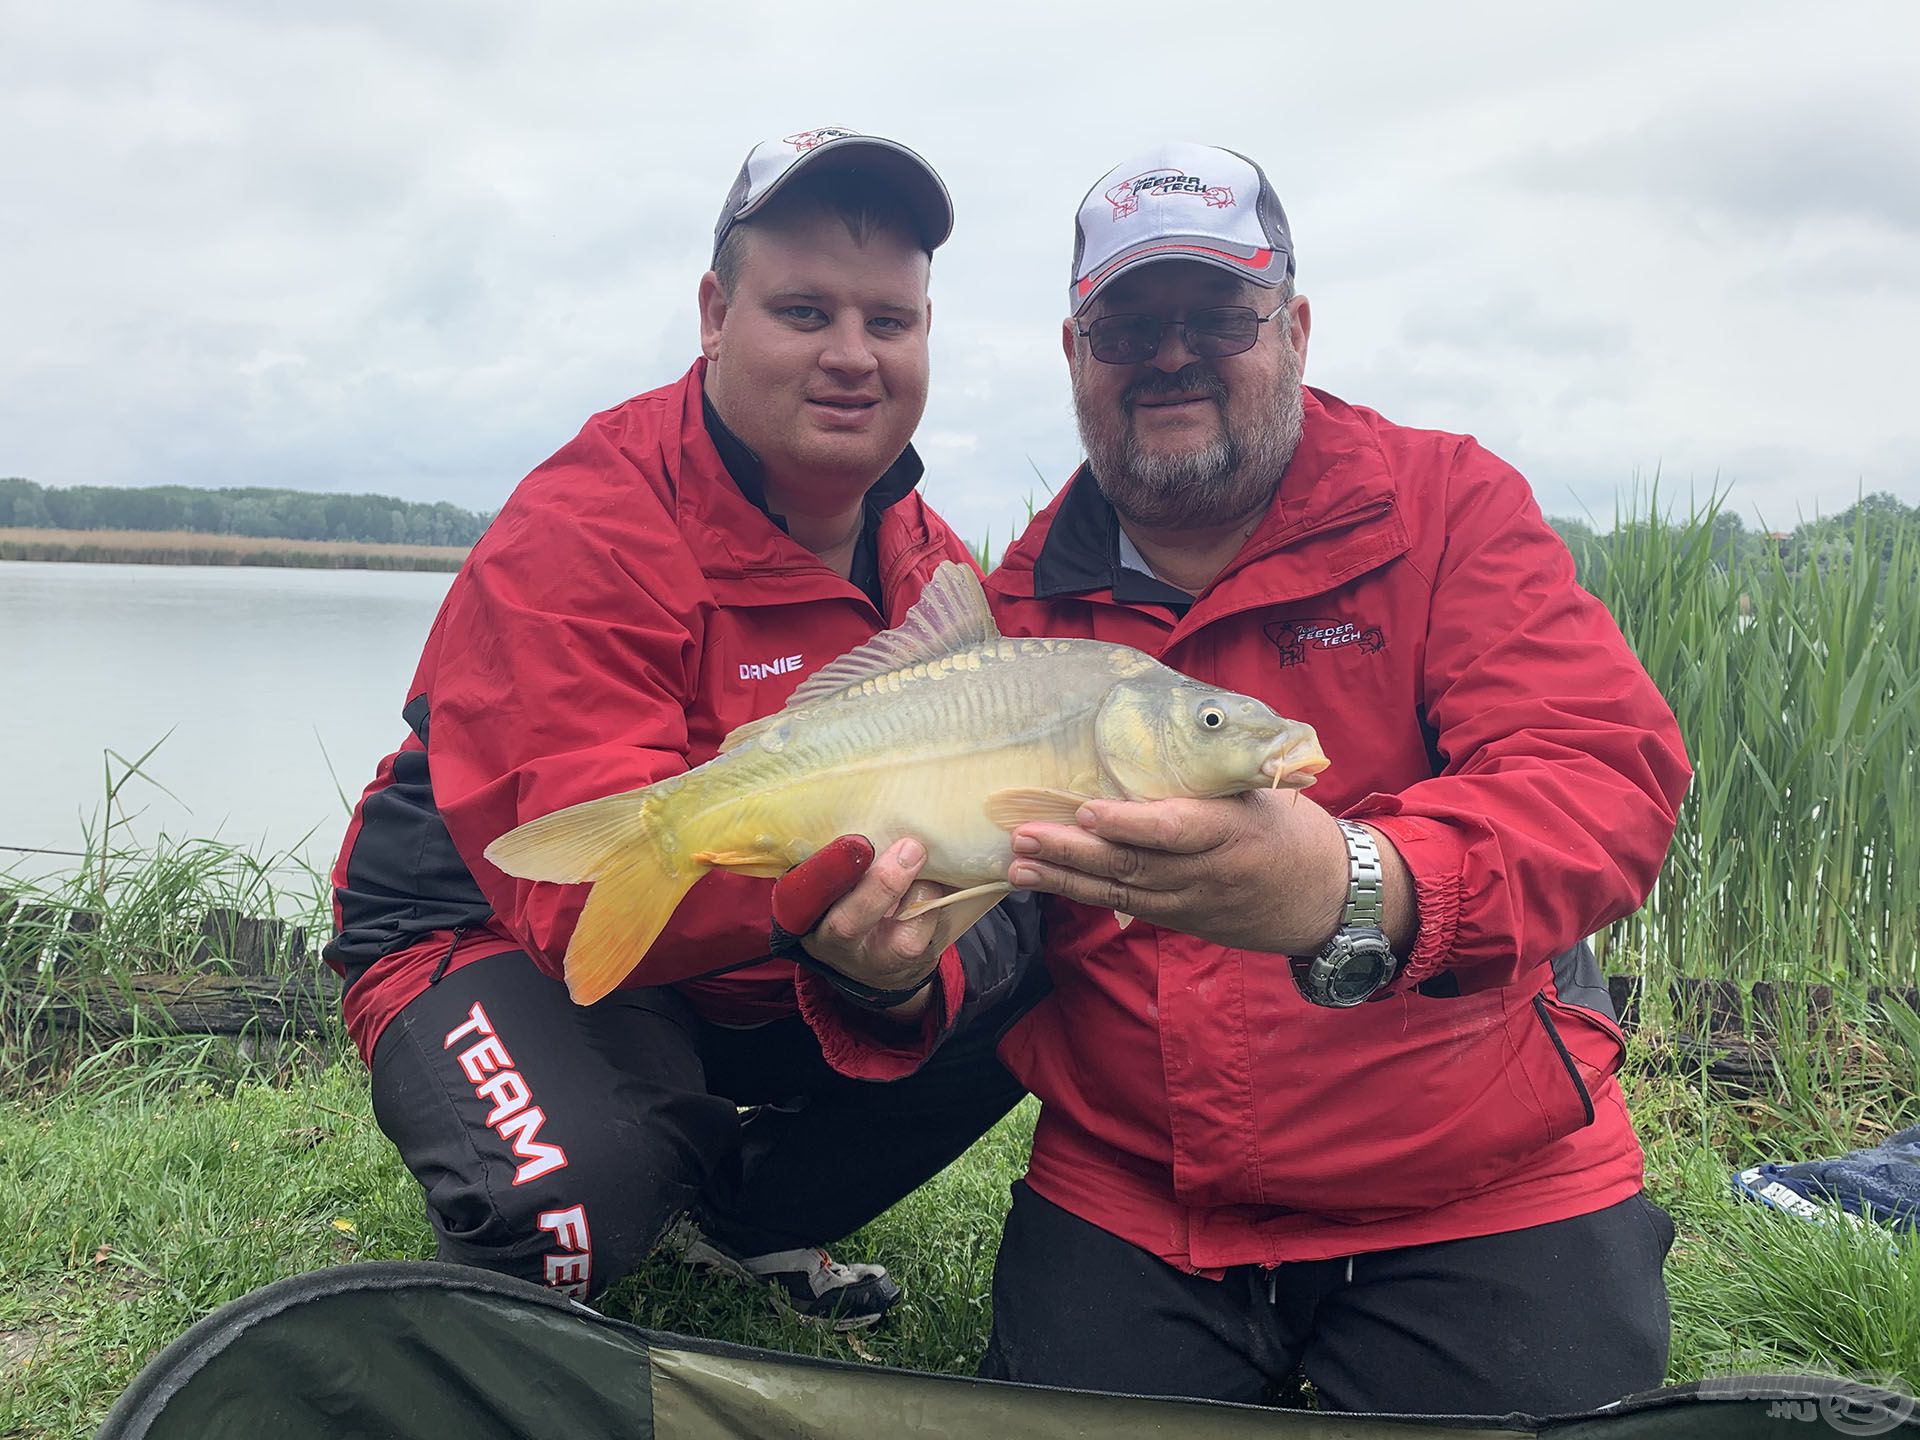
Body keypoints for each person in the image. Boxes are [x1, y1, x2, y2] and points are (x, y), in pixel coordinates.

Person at [973, 144, 1694, 1414]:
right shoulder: (1017, 614)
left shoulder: (1448, 507)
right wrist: (876, 967)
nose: (1171, 354)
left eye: (1220, 316)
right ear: (1076, 356)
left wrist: (1356, 883)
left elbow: (1600, 774)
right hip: (1139, 1191)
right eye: (1127, 325)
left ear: (1295, 328)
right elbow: (992, 917)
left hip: (1480, 1177)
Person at [321, 127, 1034, 1329]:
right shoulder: (584, 524)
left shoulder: (930, 568)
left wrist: (916, 968)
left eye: (890, 322)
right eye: (805, 312)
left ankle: (743, 1221)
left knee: (1038, 943)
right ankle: (619, 1147)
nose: (853, 357)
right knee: (569, 1226)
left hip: (760, 943)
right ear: (715, 312)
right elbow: (581, 897)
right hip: (495, 916)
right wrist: (840, 907)